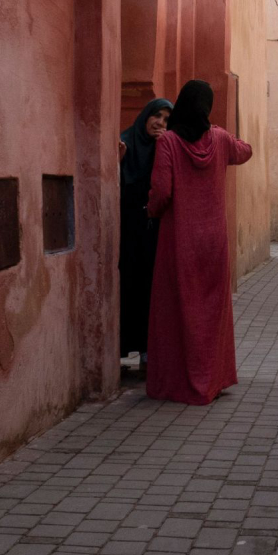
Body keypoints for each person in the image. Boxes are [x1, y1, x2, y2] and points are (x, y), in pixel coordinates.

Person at [146, 80, 252, 404]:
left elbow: (161, 192)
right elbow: (246, 150)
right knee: (211, 312)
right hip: (215, 241)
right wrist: (221, 130)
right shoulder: (219, 139)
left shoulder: (169, 142)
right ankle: (212, 380)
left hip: (179, 240)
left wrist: (150, 210)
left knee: (177, 311)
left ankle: (181, 382)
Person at [118, 98, 173, 370]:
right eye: (156, 115)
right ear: (146, 115)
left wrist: (165, 148)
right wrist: (118, 162)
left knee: (150, 289)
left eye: (166, 120)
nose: (160, 123)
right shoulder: (124, 143)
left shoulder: (166, 149)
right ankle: (118, 351)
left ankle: (147, 352)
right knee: (126, 287)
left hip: (153, 231)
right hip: (126, 229)